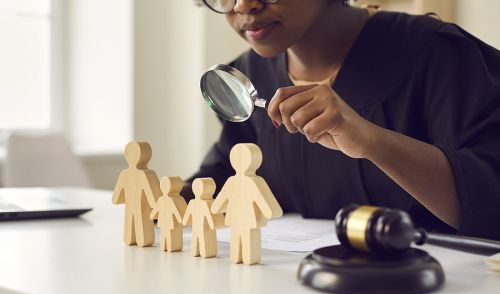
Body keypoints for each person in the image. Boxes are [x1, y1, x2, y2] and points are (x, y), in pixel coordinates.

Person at [186, 0, 500, 240]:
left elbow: (490, 197)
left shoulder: (440, 54)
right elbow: (224, 180)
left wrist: (371, 141)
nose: (243, 6)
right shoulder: (250, 78)